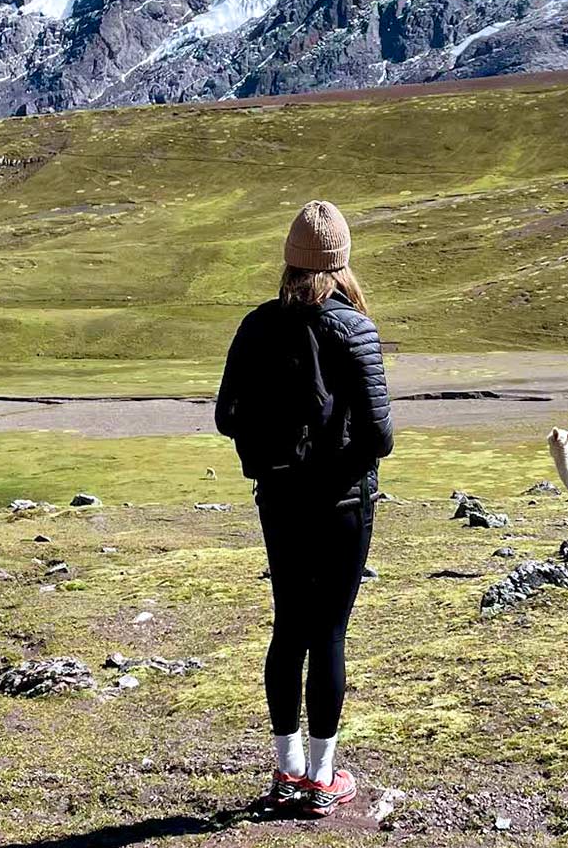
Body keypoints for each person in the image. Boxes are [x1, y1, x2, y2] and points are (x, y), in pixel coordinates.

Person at [215, 200, 393, 818]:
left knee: (289, 626)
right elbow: (381, 436)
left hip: (281, 499)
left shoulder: (257, 326)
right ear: (341, 262)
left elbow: (225, 418)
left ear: (289, 261)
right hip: (344, 503)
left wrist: (271, 457)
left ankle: (288, 770)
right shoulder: (354, 329)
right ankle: (322, 776)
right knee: (330, 630)